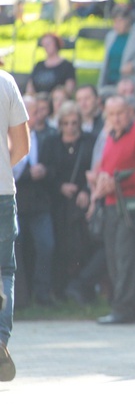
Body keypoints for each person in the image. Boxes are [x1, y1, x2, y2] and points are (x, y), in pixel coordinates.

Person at [88, 96, 135, 324]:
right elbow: (106, 168)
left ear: (129, 112)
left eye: (120, 113)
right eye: (111, 114)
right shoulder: (110, 136)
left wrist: (117, 182)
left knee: (125, 257)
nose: (116, 119)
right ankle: (133, 308)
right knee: (114, 257)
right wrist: (99, 183)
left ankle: (124, 308)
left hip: (131, 204)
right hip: (109, 204)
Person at [44, 101, 95, 302]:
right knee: (59, 245)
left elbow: (93, 167)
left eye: (74, 122)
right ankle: (59, 290)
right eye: (66, 123)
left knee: (80, 245)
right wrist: (60, 187)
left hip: (80, 203)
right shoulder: (51, 142)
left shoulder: (88, 141)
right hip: (58, 203)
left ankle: (79, 289)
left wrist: (85, 190)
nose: (70, 127)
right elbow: (47, 171)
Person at [12, 96, 56, 306]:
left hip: (39, 203)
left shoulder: (48, 136)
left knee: (46, 245)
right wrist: (30, 174)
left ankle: (42, 295)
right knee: (15, 251)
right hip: (16, 202)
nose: (35, 116)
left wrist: (45, 170)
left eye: (37, 111)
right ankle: (19, 299)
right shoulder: (8, 137)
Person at [1, 68, 30, 382]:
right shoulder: (6, 82)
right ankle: (0, 338)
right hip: (1, 191)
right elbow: (22, 146)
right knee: (2, 270)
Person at [98, 6, 135, 89]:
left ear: (128, 20)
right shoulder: (110, 36)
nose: (116, 25)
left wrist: (134, 66)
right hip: (110, 82)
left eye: (119, 21)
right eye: (114, 21)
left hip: (131, 84)